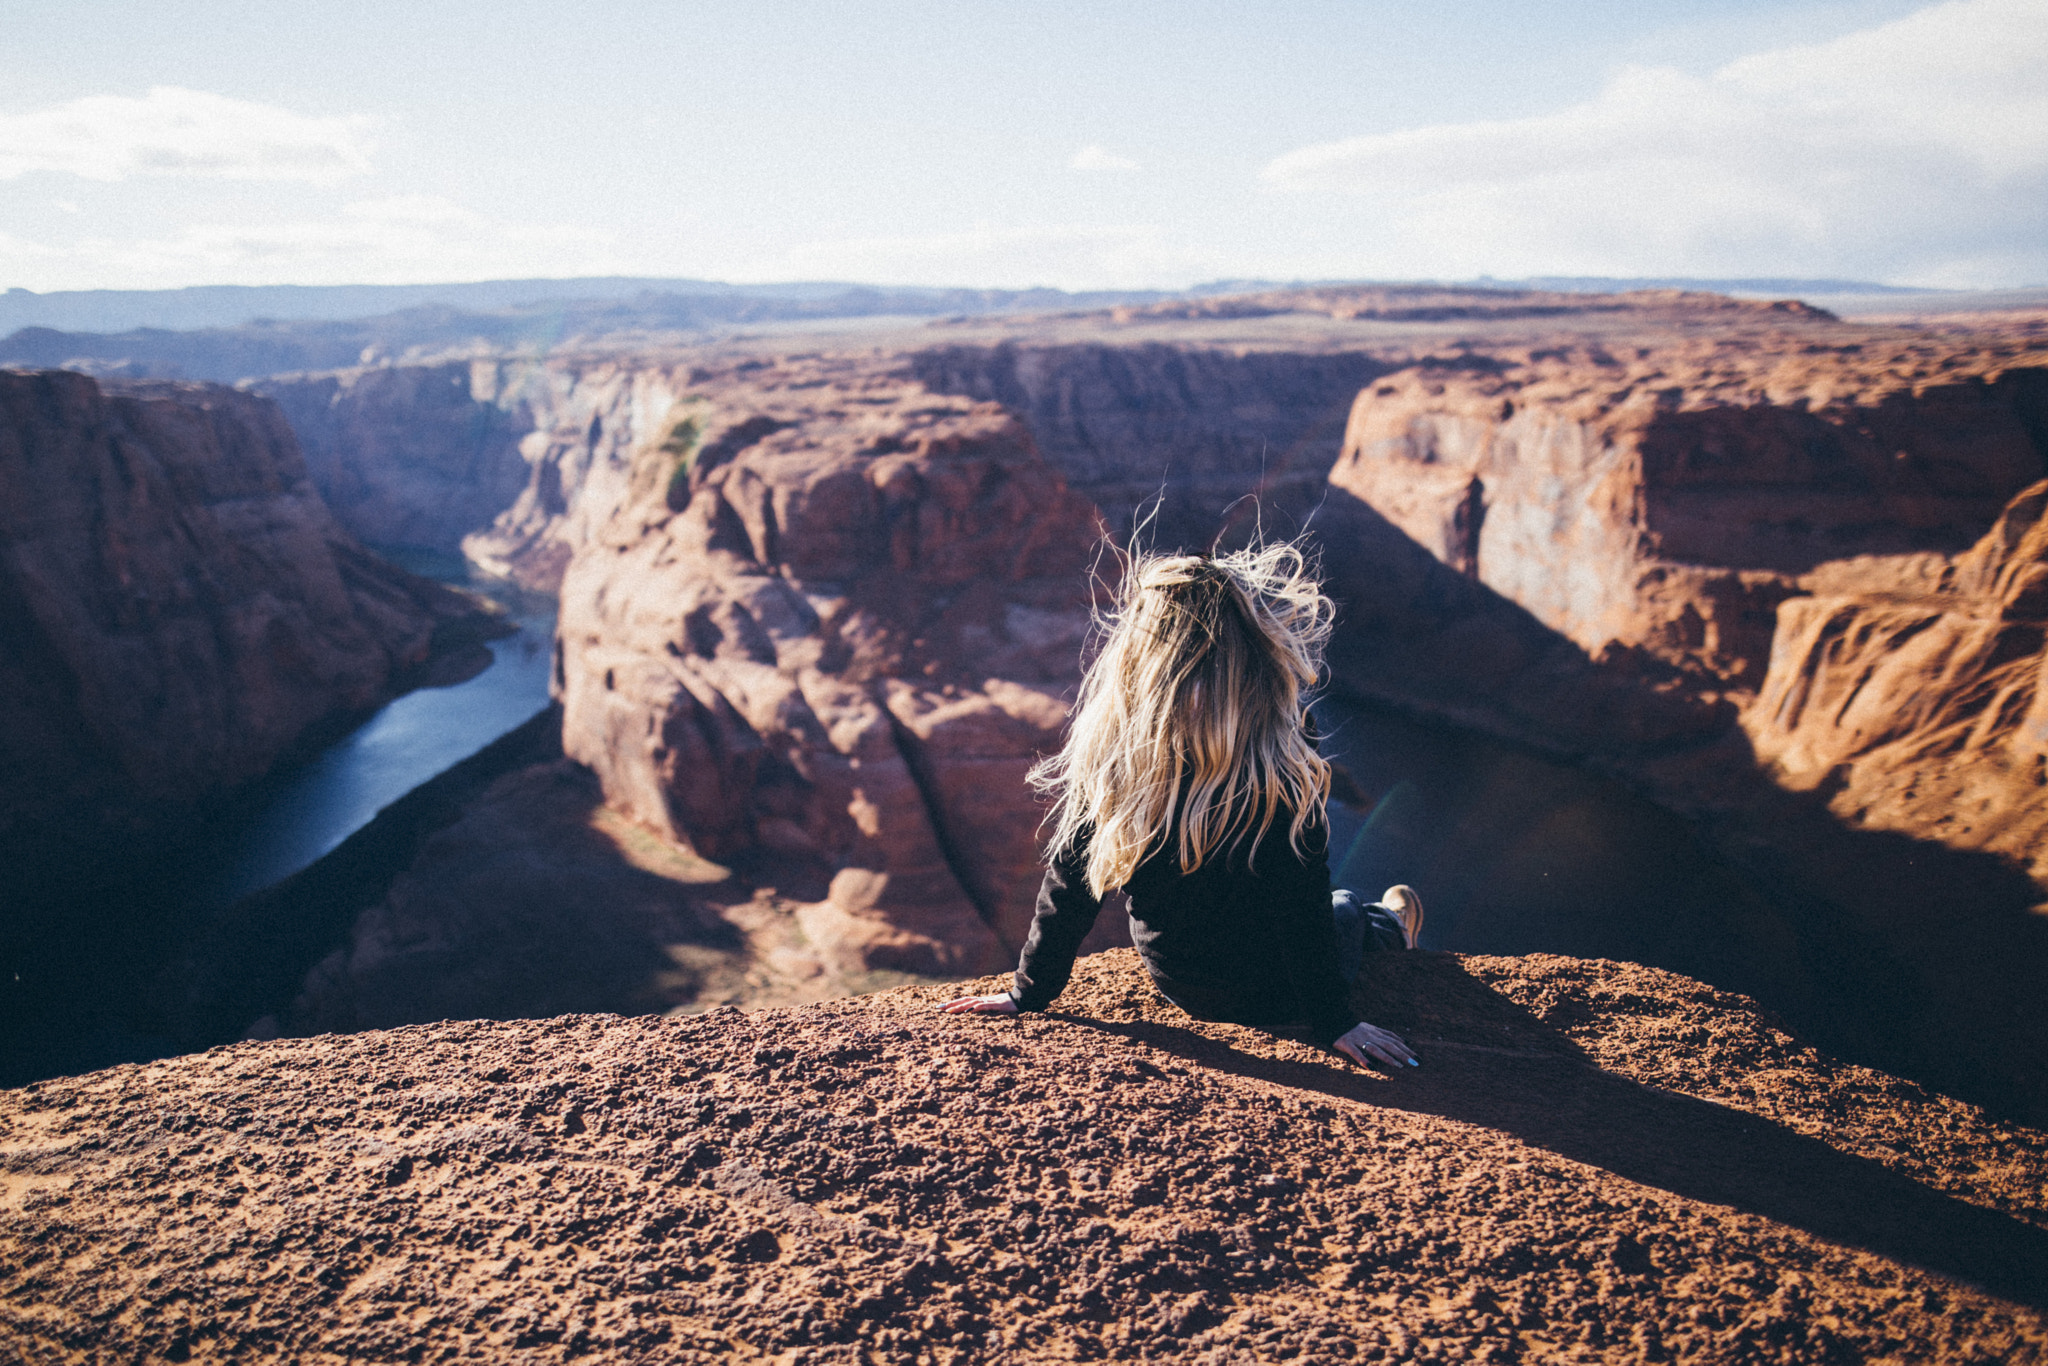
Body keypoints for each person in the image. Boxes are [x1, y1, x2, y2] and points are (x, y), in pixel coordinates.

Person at [939, 543, 1423, 1069]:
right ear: (1246, 645)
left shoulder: (1118, 750)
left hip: (1186, 987)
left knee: (1330, 907)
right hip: (1278, 993)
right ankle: (1392, 927)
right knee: (1345, 906)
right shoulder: (1280, 744)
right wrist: (1335, 1022)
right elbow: (1300, 897)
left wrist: (1027, 993)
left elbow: (1071, 884)